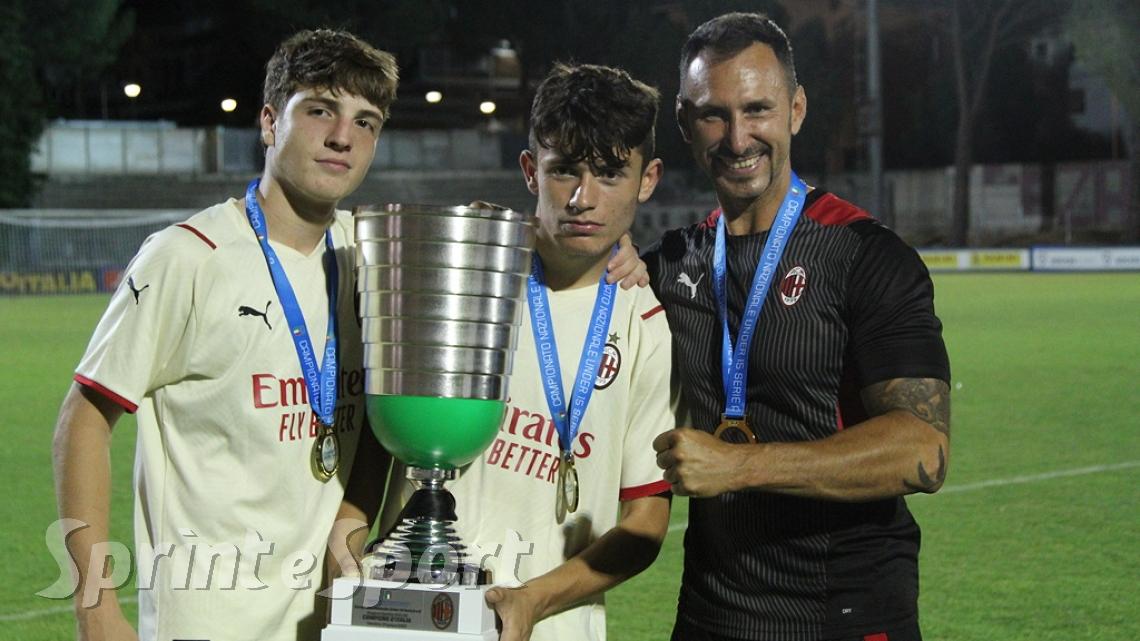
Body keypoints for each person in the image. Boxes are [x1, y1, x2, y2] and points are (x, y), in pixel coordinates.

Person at [644, 13, 952, 641]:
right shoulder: (668, 266)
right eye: (714, 115)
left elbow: (923, 447)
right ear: (683, 122)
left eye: (757, 109)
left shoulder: (865, 256)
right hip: (708, 617)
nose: (738, 138)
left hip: (843, 616)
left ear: (797, 110)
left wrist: (741, 467)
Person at [378, 62, 673, 641]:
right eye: (564, 170)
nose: (584, 198)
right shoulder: (464, 268)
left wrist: (531, 601)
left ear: (648, 179)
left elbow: (646, 522)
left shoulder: (646, 325)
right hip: (414, 616)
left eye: (610, 174)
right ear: (531, 171)